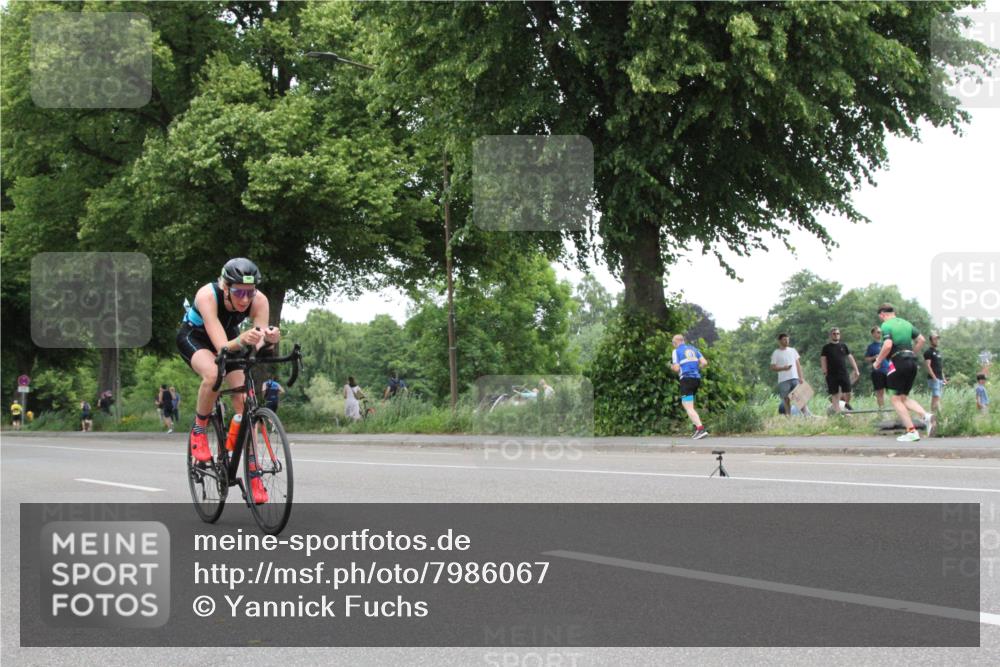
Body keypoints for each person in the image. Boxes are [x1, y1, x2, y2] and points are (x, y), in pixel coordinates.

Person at [176, 258, 280, 505]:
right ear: (225, 287)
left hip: (231, 338)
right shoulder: (207, 295)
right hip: (196, 337)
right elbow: (222, 346)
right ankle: (199, 430)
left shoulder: (260, 300)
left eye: (249, 292)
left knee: (244, 400)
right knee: (213, 374)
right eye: (238, 292)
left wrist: (271, 338)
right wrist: (245, 339)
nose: (245, 299)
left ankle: (254, 476)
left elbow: (259, 342)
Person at [872, 303, 933, 442]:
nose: (882, 320)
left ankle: (911, 432)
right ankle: (926, 416)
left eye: (881, 318)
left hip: (898, 362)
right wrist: (912, 353)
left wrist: (878, 361)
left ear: (882, 314)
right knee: (903, 398)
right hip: (911, 363)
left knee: (894, 398)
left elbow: (887, 345)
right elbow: (921, 340)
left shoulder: (886, 325)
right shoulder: (907, 324)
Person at [671, 334, 709, 439]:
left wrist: (671, 366)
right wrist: (696, 369)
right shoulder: (694, 349)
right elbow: (704, 363)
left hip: (686, 379)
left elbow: (676, 368)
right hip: (696, 379)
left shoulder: (676, 351)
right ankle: (697, 429)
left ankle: (701, 429)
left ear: (676, 342)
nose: (673, 345)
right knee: (686, 403)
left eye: (673, 343)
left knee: (689, 407)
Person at [820, 328, 860, 414]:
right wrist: (824, 371)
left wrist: (856, 369)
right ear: (831, 335)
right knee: (835, 393)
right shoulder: (826, 348)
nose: (836, 335)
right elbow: (823, 359)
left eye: (837, 333)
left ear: (840, 335)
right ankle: (838, 413)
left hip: (843, 372)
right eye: (834, 334)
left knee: (848, 391)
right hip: (831, 374)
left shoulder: (843, 346)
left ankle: (846, 405)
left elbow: (850, 357)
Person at [770, 333, 804, 417]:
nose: (787, 341)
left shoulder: (793, 350)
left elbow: (798, 365)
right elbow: (773, 367)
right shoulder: (776, 353)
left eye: (788, 339)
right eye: (785, 339)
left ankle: (806, 415)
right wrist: (783, 368)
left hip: (794, 378)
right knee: (786, 399)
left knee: (799, 398)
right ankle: (788, 417)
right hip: (783, 380)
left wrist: (801, 377)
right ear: (780, 341)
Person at [864, 326, 890, 410]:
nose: (880, 334)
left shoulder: (886, 344)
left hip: (889, 371)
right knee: (880, 393)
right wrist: (874, 357)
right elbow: (866, 359)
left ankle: (895, 411)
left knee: (894, 392)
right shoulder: (871, 347)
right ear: (873, 334)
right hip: (877, 372)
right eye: (878, 332)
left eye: (880, 332)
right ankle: (883, 412)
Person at [923, 333, 946, 414]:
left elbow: (940, 367)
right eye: (935, 339)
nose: (937, 341)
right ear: (931, 341)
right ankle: (939, 414)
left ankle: (933, 414)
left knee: (936, 397)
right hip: (934, 379)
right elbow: (928, 366)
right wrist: (934, 377)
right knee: (936, 396)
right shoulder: (928, 352)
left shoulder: (938, 352)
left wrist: (944, 378)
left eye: (937, 339)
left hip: (940, 378)